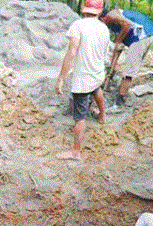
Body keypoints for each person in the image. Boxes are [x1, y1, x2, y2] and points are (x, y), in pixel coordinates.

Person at [54, 0, 112, 161]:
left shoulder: (78, 25)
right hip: (97, 72)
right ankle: (102, 116)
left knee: (80, 117)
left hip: (83, 77)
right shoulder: (104, 28)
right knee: (97, 89)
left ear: (84, 9)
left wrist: (61, 78)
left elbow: (72, 51)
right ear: (100, 11)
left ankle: (76, 152)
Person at [99, 7, 153, 112]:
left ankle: (120, 102)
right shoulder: (115, 20)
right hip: (148, 35)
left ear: (102, 18)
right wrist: (111, 68)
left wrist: (118, 41)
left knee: (128, 71)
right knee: (131, 68)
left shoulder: (110, 16)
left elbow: (127, 25)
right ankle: (122, 95)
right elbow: (118, 45)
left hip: (142, 37)